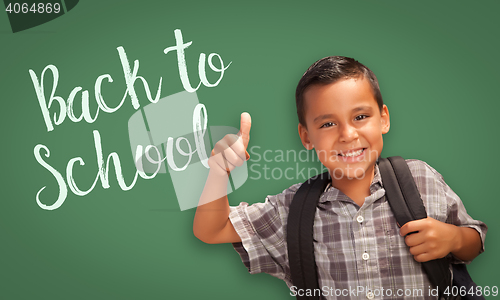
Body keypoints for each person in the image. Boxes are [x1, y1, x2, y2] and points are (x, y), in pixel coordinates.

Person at [193, 56, 487, 299]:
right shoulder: (293, 209)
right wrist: (219, 172)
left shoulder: (419, 178)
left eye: (360, 117)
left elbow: (474, 239)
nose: (347, 135)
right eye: (329, 123)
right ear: (306, 136)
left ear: (383, 118)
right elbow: (212, 229)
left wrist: (454, 238)